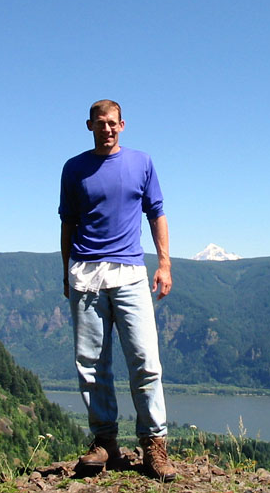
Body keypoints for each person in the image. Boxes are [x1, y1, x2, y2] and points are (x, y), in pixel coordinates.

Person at [59, 99, 176, 481]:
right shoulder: (74, 168)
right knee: (91, 365)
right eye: (100, 123)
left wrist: (164, 265)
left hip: (130, 273)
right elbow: (67, 223)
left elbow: (156, 213)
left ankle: (154, 445)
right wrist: (66, 272)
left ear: (122, 125)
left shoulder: (142, 162)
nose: (106, 129)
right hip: (86, 274)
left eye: (112, 123)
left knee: (145, 361)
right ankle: (105, 442)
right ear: (89, 125)